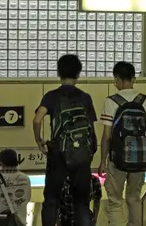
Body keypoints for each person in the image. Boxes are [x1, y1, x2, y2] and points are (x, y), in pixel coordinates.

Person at [33, 54, 98, 226]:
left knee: (51, 200)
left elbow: (37, 120)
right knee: (82, 204)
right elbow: (90, 127)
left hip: (58, 153)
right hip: (81, 154)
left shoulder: (51, 96)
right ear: (78, 73)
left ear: (59, 73)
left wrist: (39, 141)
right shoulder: (85, 97)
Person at [98, 61, 146, 226]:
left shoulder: (111, 101)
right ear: (133, 78)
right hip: (141, 160)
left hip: (118, 161)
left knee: (115, 201)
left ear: (116, 79)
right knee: (134, 198)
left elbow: (107, 136)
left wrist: (103, 161)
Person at [0, 149, 31, 225]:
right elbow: (27, 198)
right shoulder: (25, 178)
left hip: (3, 222)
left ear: (2, 163)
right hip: (20, 222)